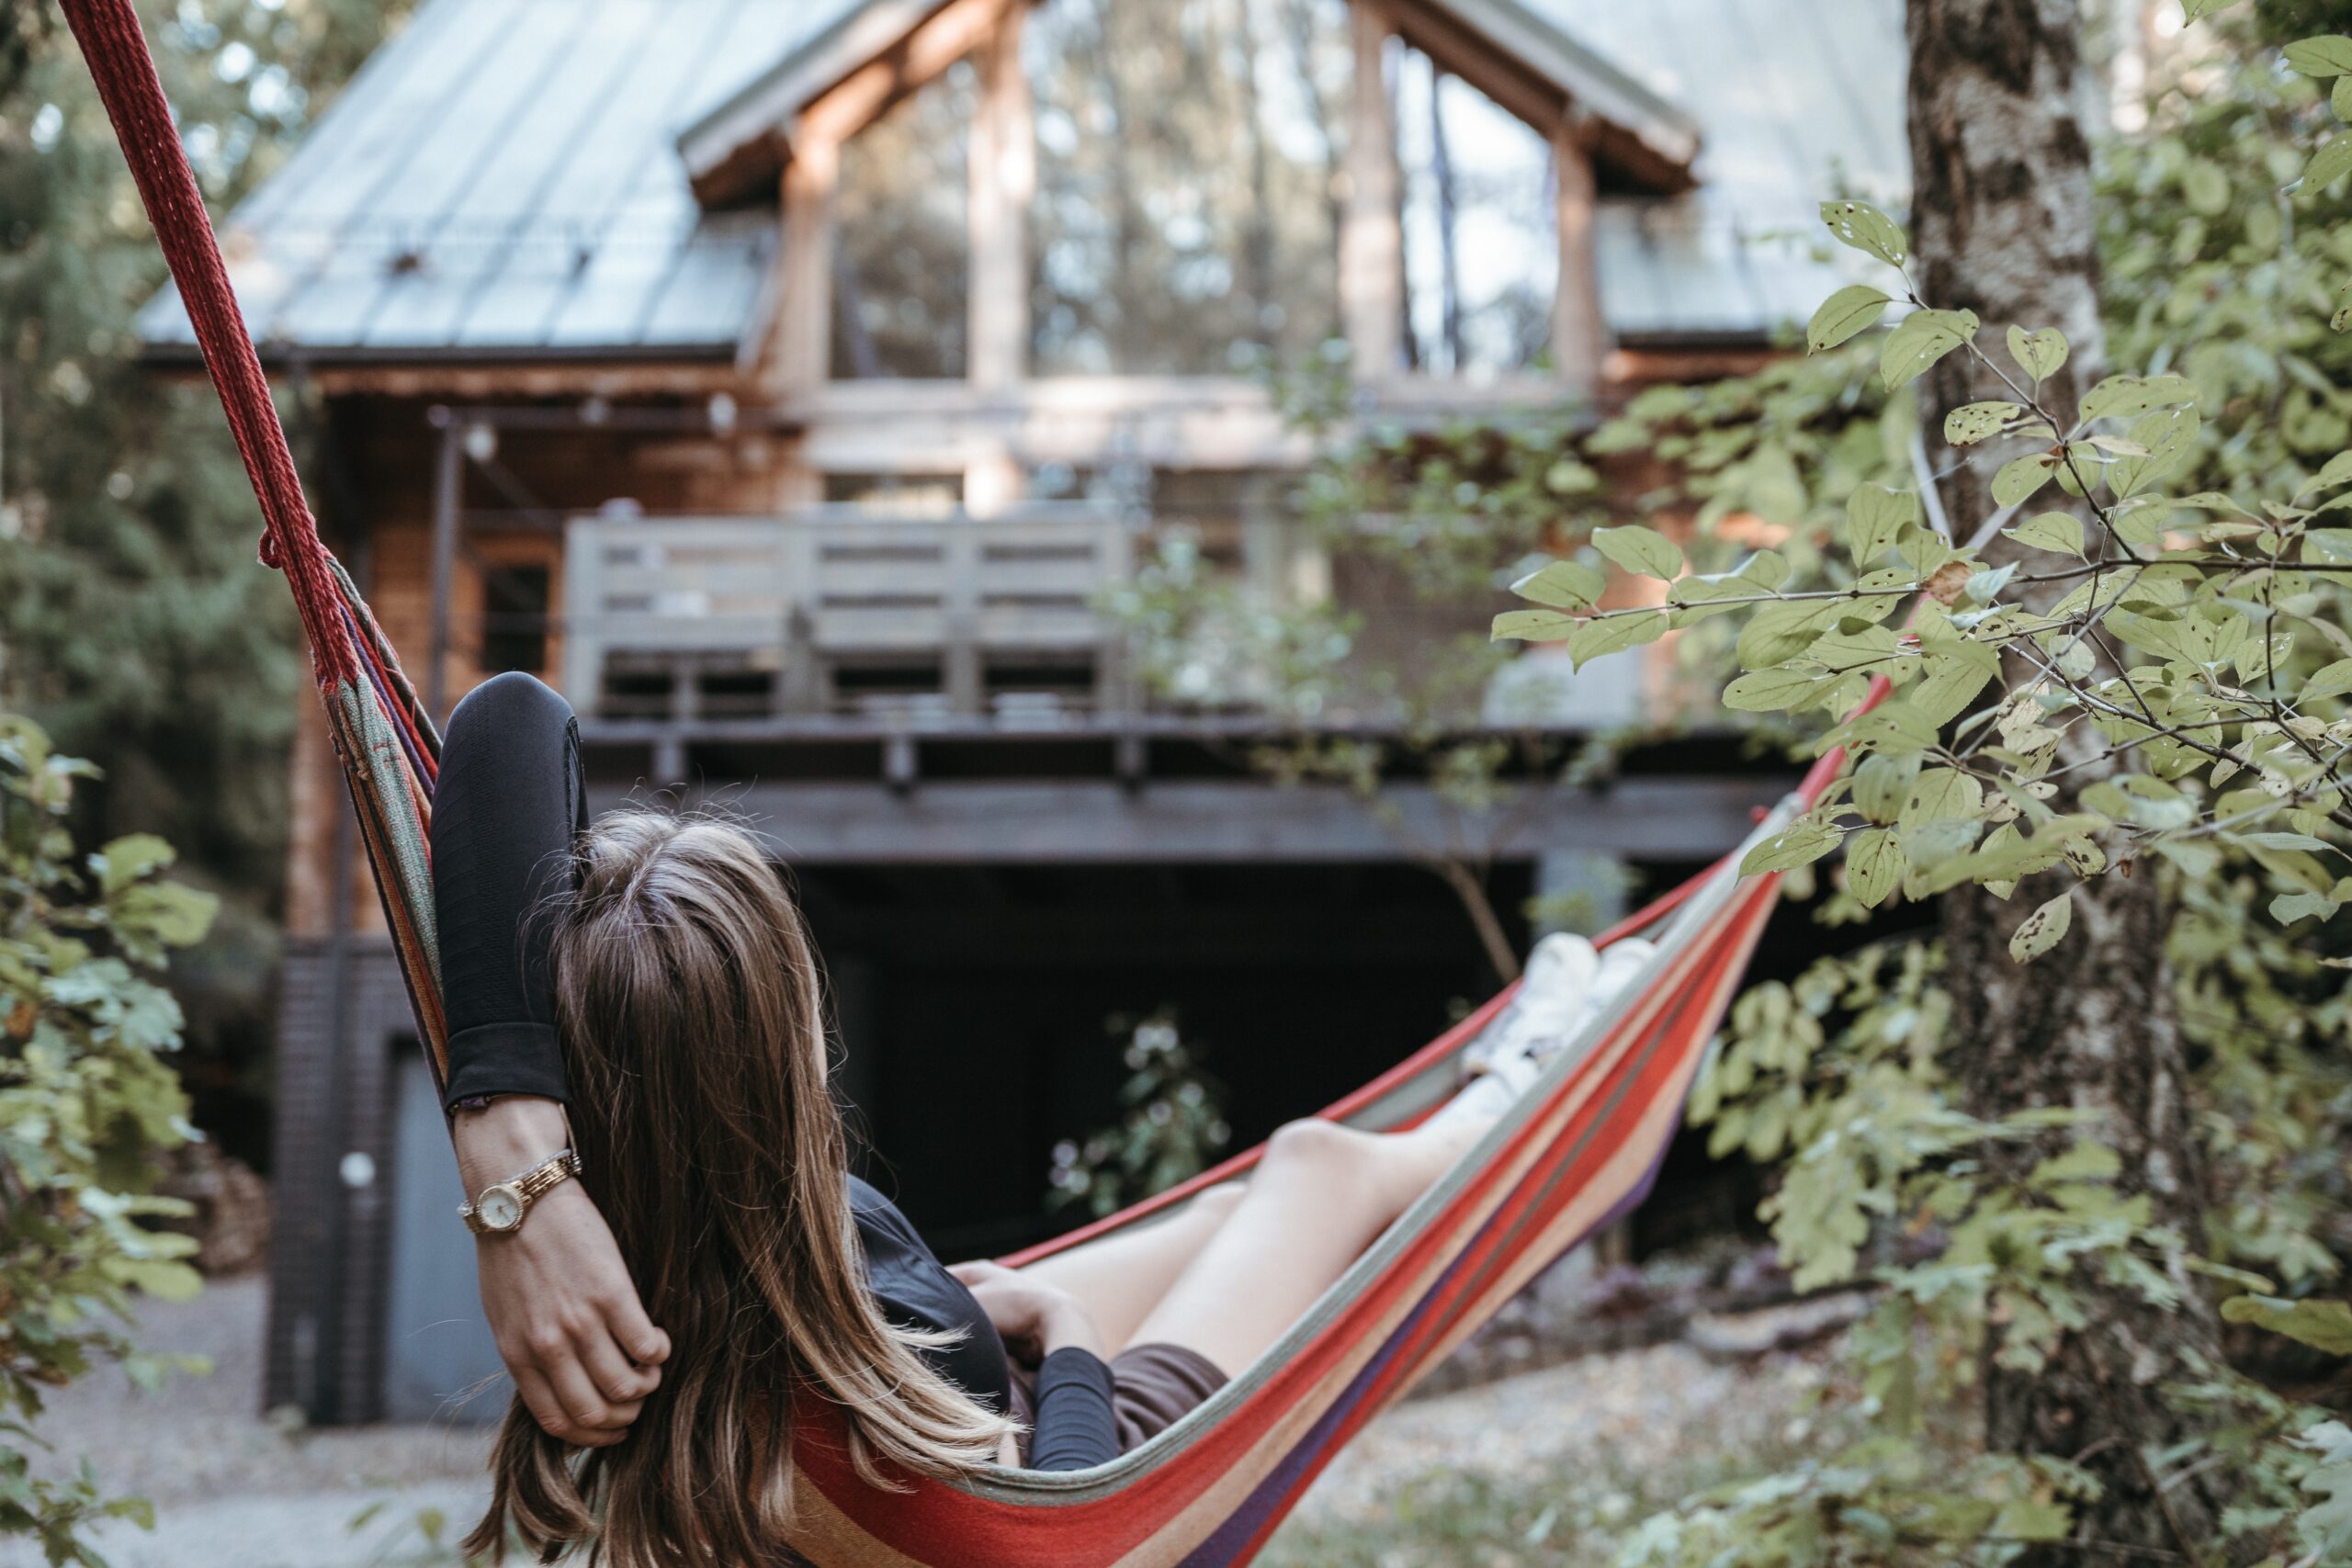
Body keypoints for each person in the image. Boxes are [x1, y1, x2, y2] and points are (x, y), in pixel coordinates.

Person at [433, 673, 1646, 1568]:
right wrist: (1065, 1336)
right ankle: (1534, 1083)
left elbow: (507, 724)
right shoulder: (817, 1435)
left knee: (1239, 1211)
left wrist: (512, 1153)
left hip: (888, 1339)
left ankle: (1508, 1089)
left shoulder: (613, 1229)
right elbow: (1063, 1545)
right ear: (780, 1055)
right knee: (1317, 1171)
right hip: (1074, 1452)